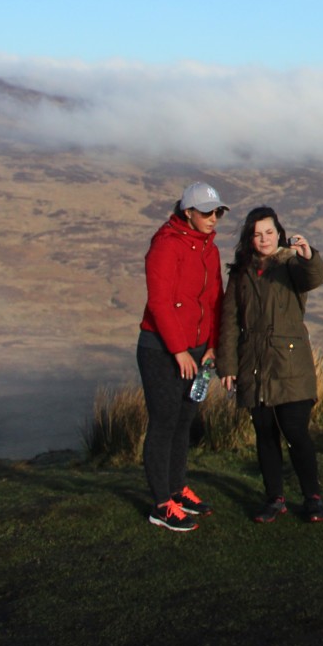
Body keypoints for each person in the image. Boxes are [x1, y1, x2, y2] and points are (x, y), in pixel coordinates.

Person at [217, 205, 323, 523]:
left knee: (295, 431)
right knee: (265, 433)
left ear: (278, 233)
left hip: (290, 365)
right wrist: (227, 365)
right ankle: (274, 498)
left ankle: (313, 498)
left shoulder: (291, 264)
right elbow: (229, 321)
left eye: (268, 232)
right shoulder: (240, 273)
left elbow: (314, 277)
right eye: (256, 234)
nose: (263, 239)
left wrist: (309, 255)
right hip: (253, 364)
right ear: (248, 238)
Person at [138, 181, 228, 532]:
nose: (213, 219)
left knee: (182, 421)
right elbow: (159, 304)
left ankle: (177, 490)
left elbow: (214, 301)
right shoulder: (165, 246)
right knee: (163, 423)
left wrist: (211, 345)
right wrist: (177, 350)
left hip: (197, 351)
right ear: (187, 212)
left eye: (217, 212)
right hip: (160, 350)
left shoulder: (210, 248)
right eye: (206, 212)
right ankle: (161, 505)